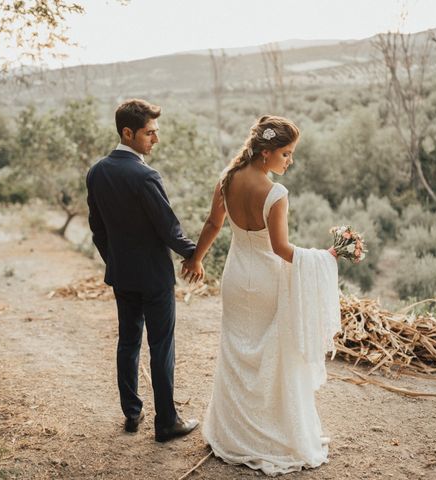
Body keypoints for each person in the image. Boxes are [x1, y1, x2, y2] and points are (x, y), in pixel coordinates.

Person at [182, 115, 342, 475]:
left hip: (236, 279)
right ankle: (267, 434)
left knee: (238, 353)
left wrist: (196, 258)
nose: (290, 161)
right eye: (286, 154)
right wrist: (326, 257)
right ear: (266, 153)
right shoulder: (275, 194)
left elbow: (213, 224)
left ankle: (235, 433)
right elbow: (283, 250)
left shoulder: (227, 178)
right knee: (270, 354)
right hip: (267, 282)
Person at [86, 98, 198, 442]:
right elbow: (169, 230)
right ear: (128, 132)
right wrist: (197, 253)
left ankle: (132, 415)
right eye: (150, 133)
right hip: (153, 277)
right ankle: (166, 422)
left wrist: (115, 260)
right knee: (161, 345)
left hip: (122, 274)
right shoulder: (145, 175)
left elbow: (97, 229)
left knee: (128, 342)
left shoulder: (97, 172)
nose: (156, 140)